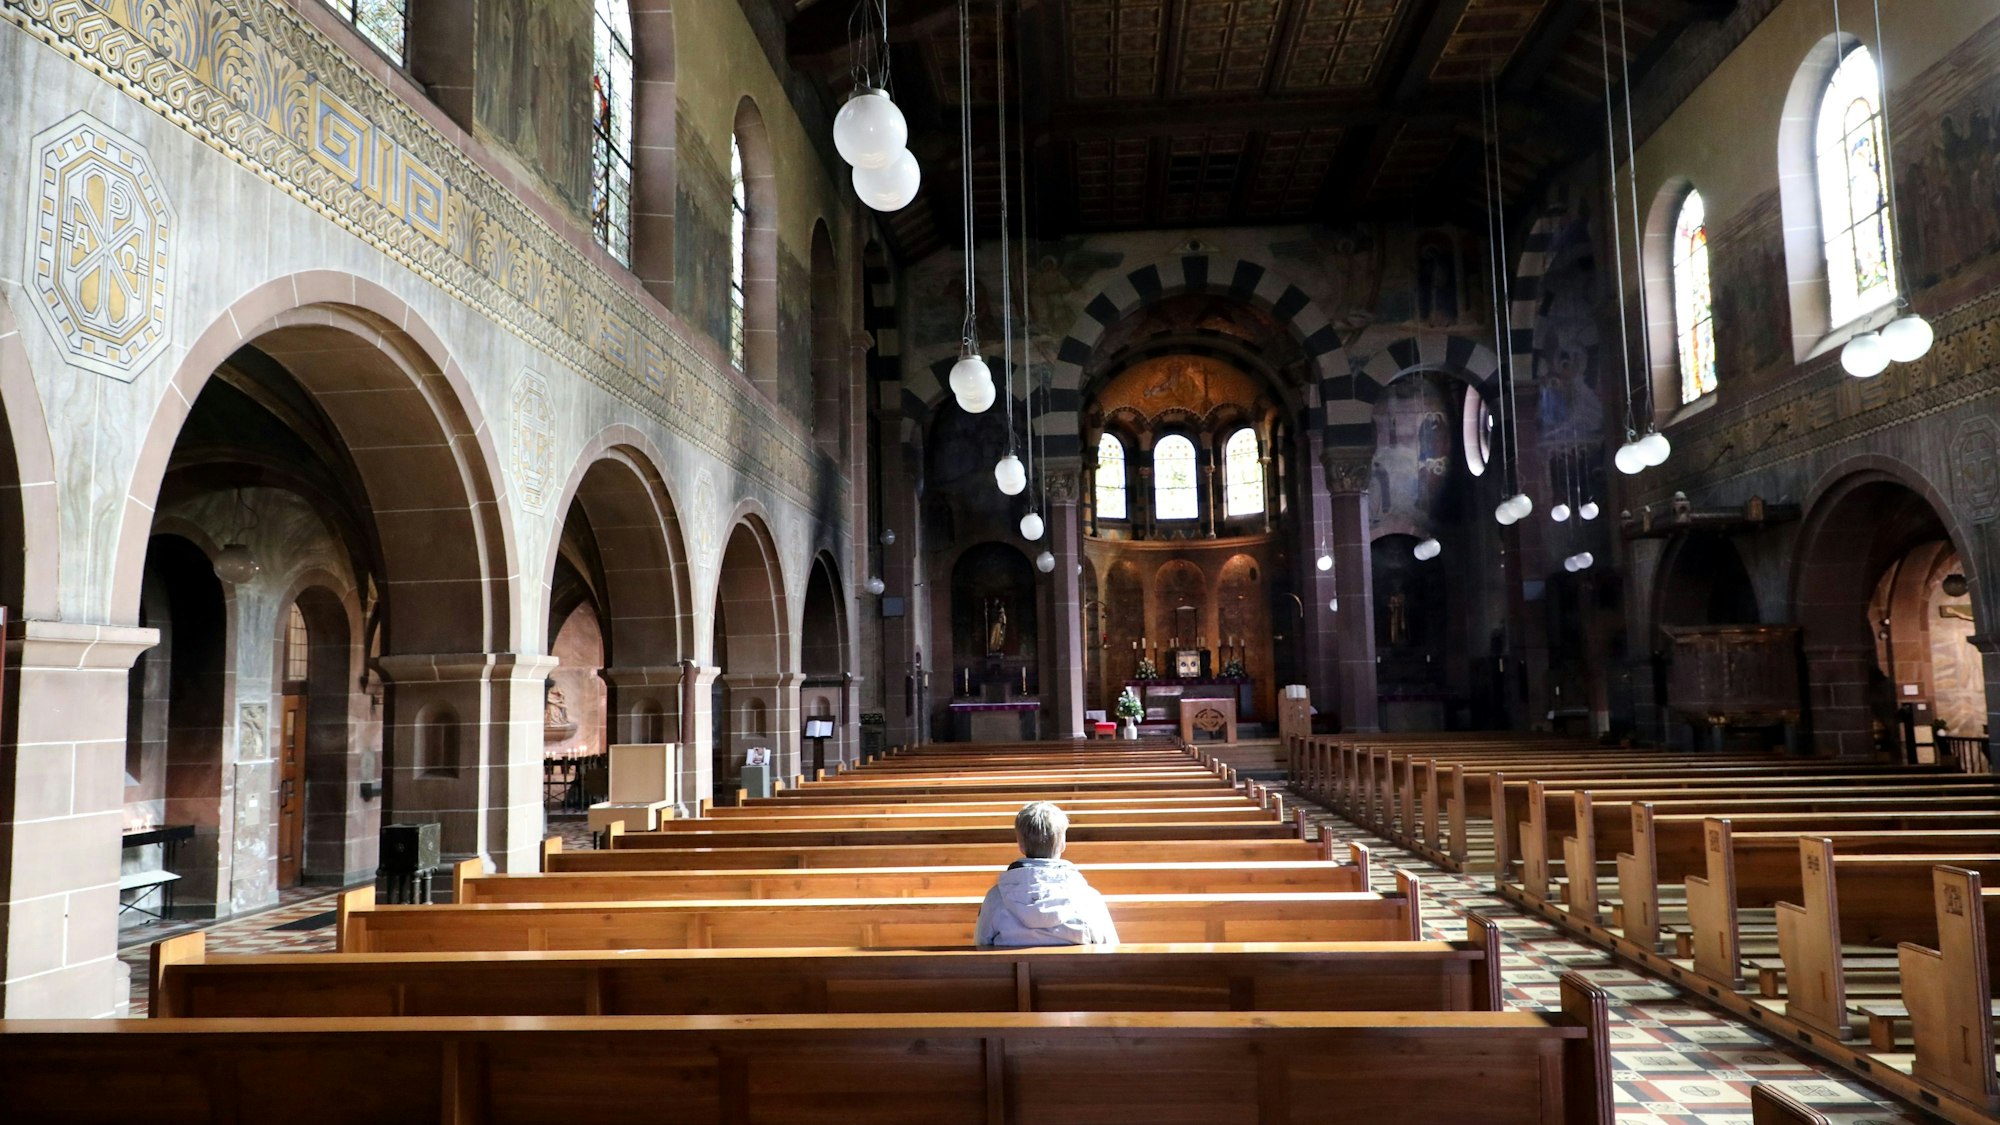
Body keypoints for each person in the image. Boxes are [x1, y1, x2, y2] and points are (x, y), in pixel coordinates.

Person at [974, 801, 1121, 947]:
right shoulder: (1088, 899)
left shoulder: (996, 897)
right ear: (1063, 844)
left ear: (1020, 845)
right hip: (1074, 971)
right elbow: (1111, 950)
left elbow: (980, 946)